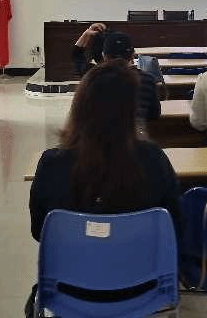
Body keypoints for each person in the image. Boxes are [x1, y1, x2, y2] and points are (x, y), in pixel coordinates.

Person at [27, 60, 181, 316]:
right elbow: (175, 227)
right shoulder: (154, 161)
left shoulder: (52, 164)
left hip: (70, 289)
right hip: (142, 289)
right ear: (130, 110)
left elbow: (38, 231)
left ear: (79, 107)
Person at [70, 23, 160, 121]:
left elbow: (76, 55)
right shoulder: (147, 80)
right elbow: (154, 115)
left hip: (100, 131)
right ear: (132, 56)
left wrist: (86, 34)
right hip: (133, 130)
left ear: (104, 56)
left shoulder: (92, 76)